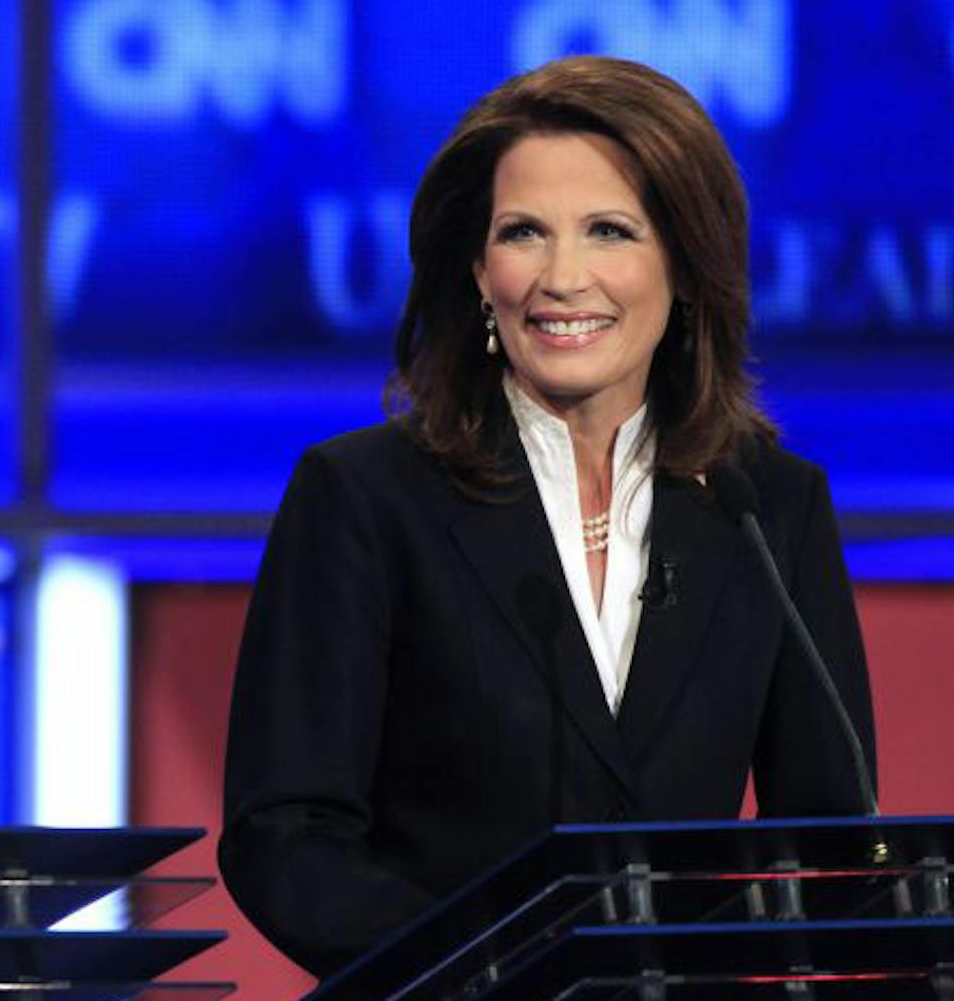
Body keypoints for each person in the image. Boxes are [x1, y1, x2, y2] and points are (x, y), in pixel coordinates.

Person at [218, 55, 876, 978]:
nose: (563, 277)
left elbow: (831, 835)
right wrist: (494, 968)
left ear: (687, 265)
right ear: (480, 270)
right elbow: (286, 836)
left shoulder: (767, 507)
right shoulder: (365, 496)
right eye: (525, 232)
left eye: (610, 231)